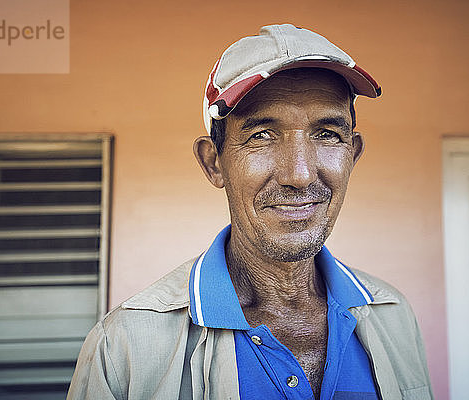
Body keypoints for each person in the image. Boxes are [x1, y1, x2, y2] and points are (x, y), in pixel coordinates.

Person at [67, 24, 433, 400]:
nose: (300, 175)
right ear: (214, 164)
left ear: (352, 155)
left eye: (326, 134)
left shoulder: (392, 315)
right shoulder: (126, 348)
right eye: (261, 135)